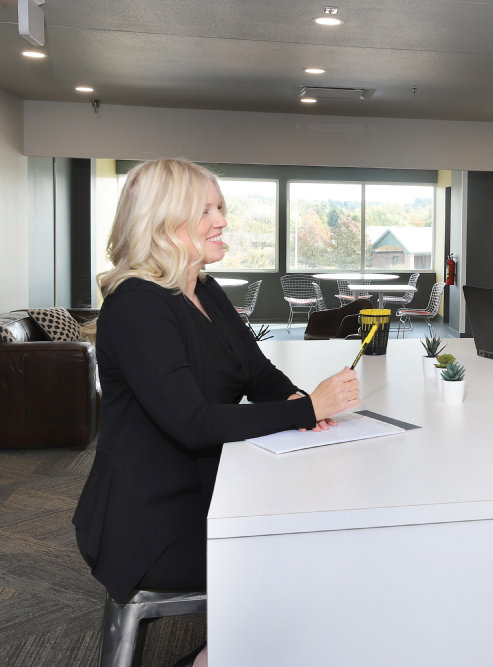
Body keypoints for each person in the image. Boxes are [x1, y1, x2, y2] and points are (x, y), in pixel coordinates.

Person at [72, 159, 360, 667]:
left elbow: (258, 374)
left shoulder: (201, 288)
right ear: (163, 221)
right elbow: (194, 422)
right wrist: (309, 408)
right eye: (204, 209)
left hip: (207, 489)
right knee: (310, 557)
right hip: (149, 521)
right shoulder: (137, 305)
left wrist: (298, 402)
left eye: (220, 206)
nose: (222, 219)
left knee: (317, 539)